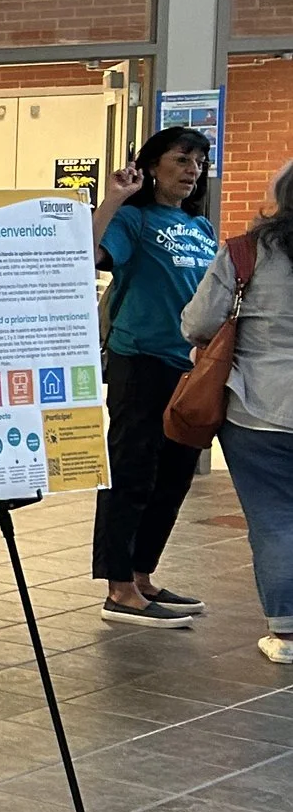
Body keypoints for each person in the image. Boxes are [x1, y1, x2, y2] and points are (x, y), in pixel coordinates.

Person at [93, 126, 217, 627]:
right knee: (131, 475)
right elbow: (86, 254)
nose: (192, 170)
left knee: (173, 479)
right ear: (153, 165)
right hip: (140, 363)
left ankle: (143, 575)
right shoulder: (133, 220)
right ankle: (118, 588)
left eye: (199, 162)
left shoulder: (201, 228)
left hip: (190, 370)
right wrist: (113, 199)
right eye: (182, 159)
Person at [185, 156, 293, 664]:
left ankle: (287, 633)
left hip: (258, 410)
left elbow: (199, 322)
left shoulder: (245, 253)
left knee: (273, 519)